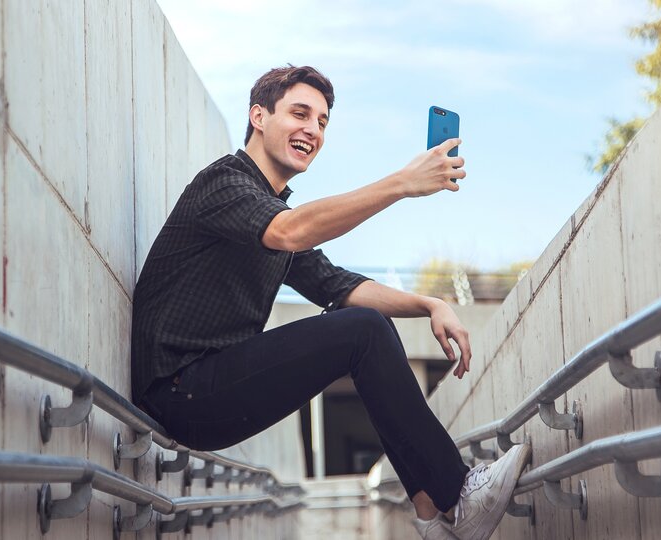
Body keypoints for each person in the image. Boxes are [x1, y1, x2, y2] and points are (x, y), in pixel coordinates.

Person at [131, 65, 530, 539]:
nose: (312, 130)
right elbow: (291, 231)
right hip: (181, 389)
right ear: (258, 116)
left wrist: (429, 304)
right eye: (299, 113)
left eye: (321, 122)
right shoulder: (223, 184)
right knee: (362, 330)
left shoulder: (271, 209)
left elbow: (337, 284)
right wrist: (400, 183)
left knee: (362, 324)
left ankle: (431, 513)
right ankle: (458, 495)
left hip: (211, 387)